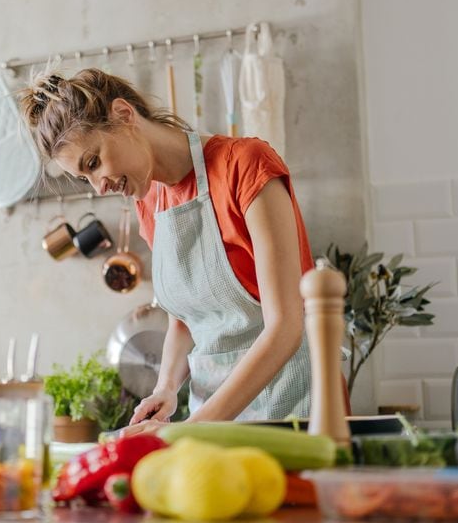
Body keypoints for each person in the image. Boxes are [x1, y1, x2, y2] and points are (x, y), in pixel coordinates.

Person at [19, 68, 316, 435]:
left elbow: (286, 327)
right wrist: (166, 388)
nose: (99, 187)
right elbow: (184, 316)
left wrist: (188, 430)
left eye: (93, 162)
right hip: (210, 420)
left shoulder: (246, 166)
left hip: (288, 411)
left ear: (124, 115)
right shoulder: (149, 205)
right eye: (85, 178)